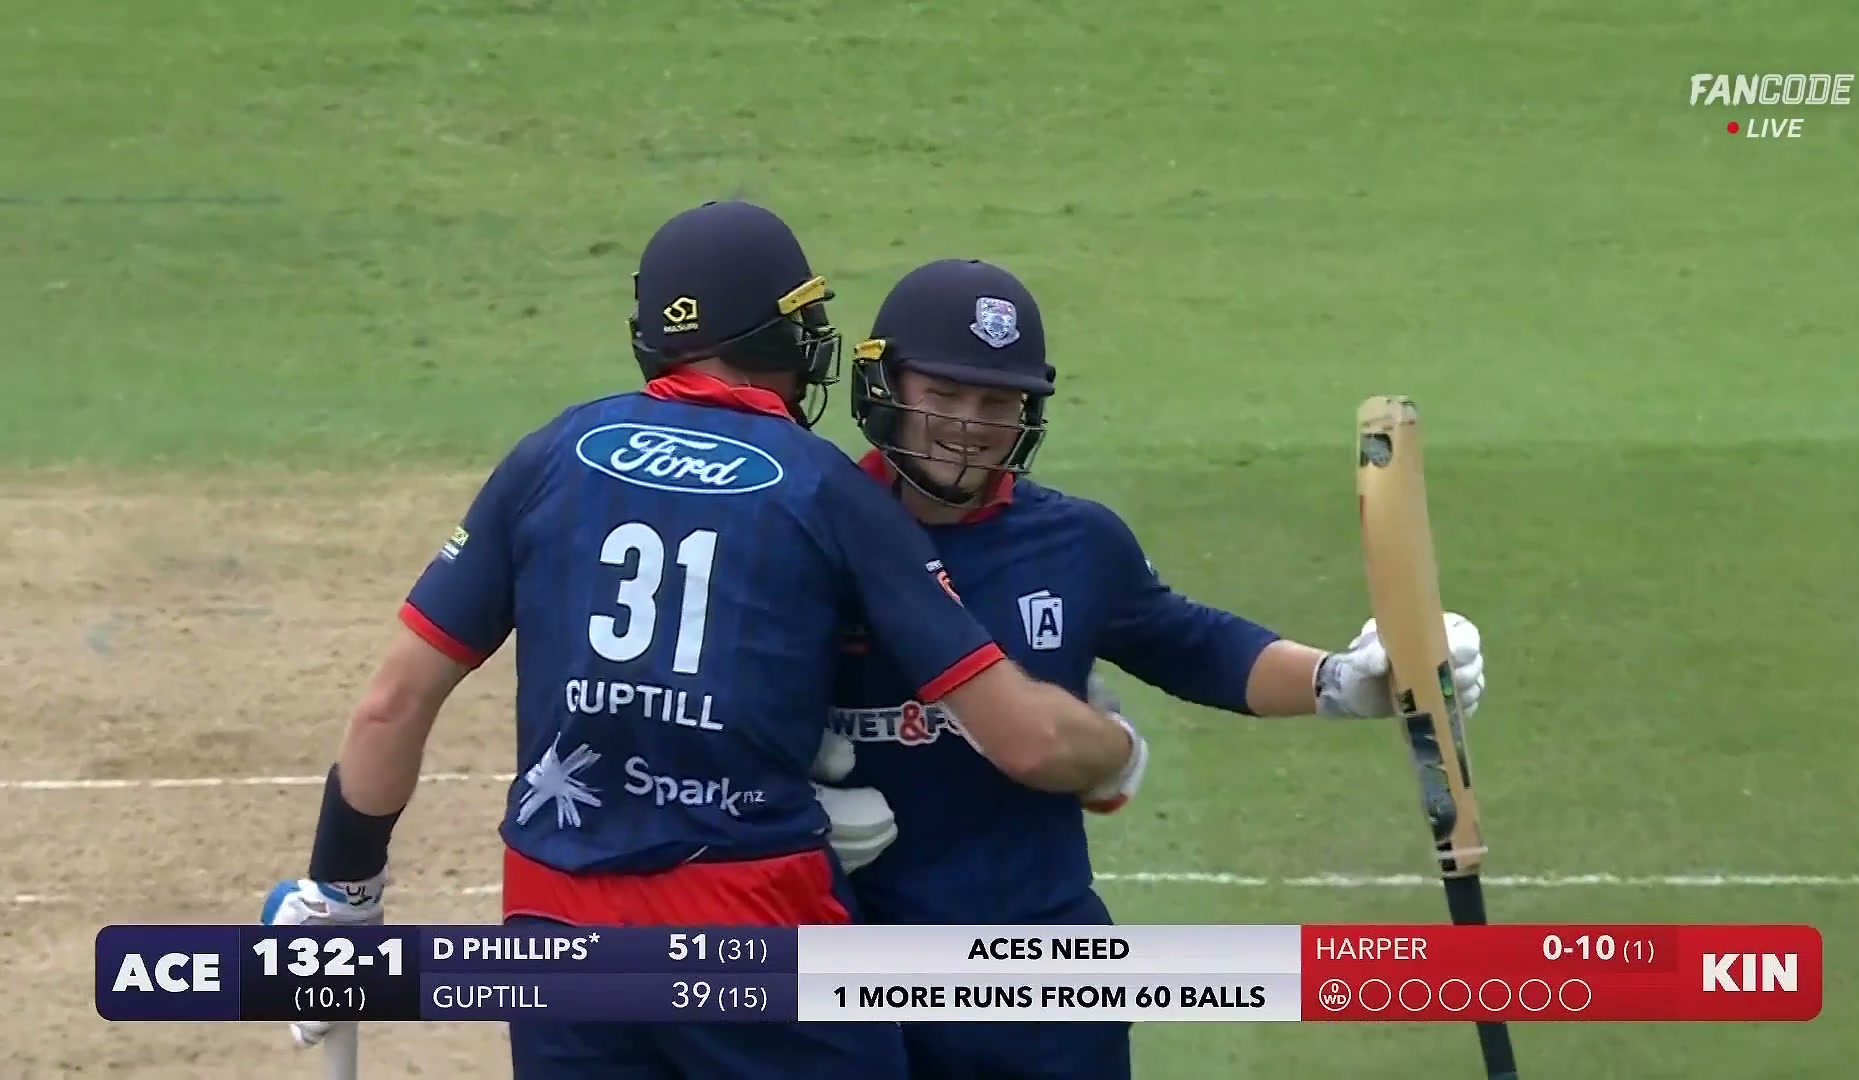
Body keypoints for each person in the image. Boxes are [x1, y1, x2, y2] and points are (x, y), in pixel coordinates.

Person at [259, 209, 1143, 1079]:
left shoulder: (548, 457)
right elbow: (1021, 738)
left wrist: (341, 899)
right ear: (774, 334)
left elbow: (391, 706)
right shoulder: (829, 489)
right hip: (751, 913)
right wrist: (1113, 751)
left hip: (554, 918)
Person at [824, 258, 1488, 1079]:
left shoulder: (1076, 541)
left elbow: (1196, 646)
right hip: (845, 966)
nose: (969, 423)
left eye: (996, 402)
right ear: (886, 384)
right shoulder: (808, 523)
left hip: (1042, 972)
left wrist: (1346, 681)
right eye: (945, 394)